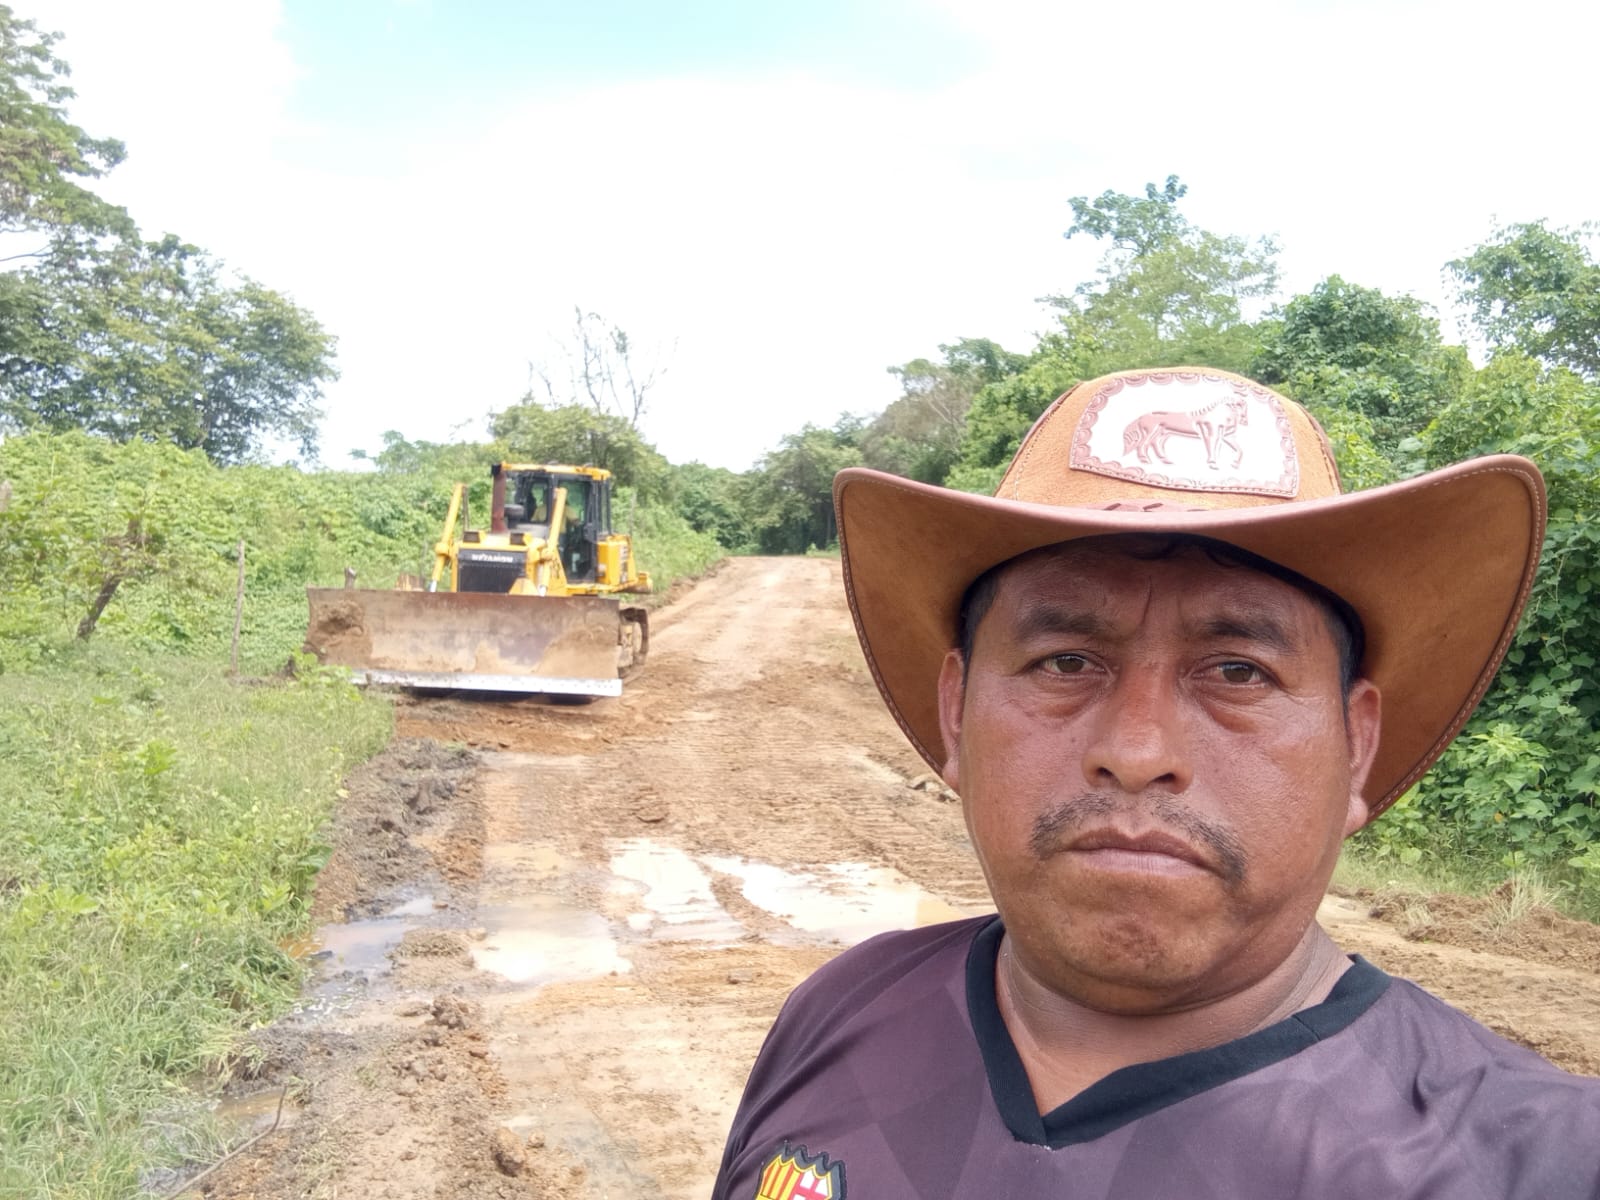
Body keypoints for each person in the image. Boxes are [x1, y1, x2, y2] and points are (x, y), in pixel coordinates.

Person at [712, 367, 1600, 1200]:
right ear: (956, 715)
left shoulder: (1536, 1163)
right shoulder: (841, 1012)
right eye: (1065, 661)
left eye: (1239, 672)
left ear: (1356, 746)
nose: (1137, 751)